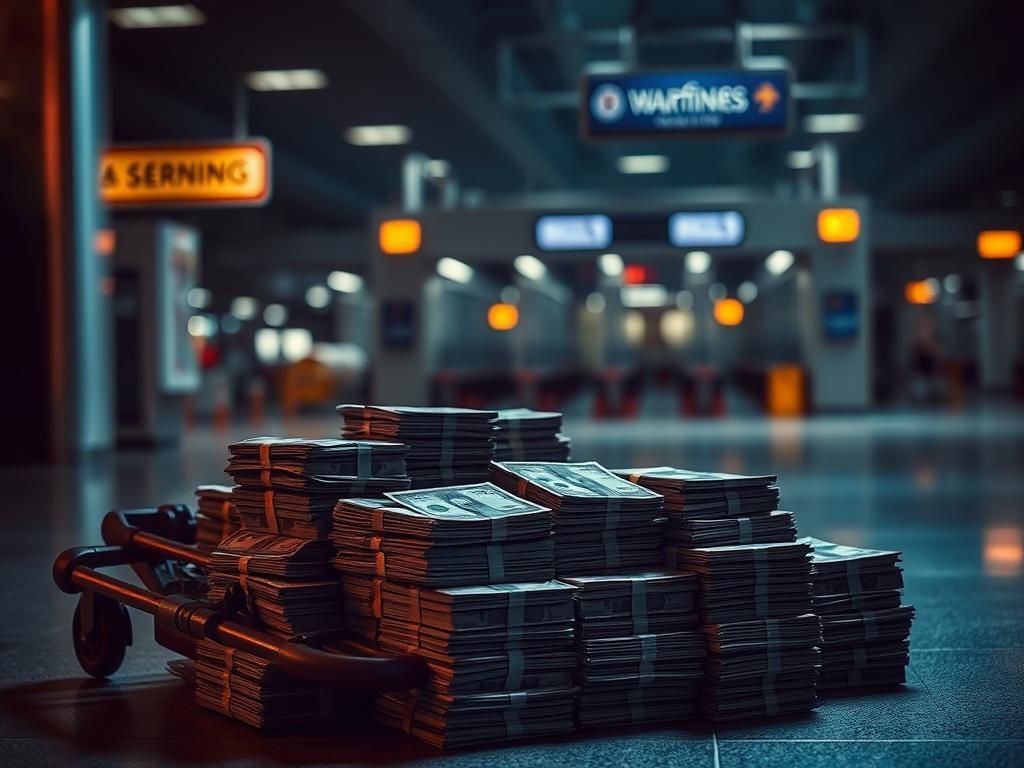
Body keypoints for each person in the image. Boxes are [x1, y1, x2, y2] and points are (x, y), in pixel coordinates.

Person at [909, 314, 943, 404]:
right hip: (920, 369)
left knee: (935, 389)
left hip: (932, 367)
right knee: (921, 392)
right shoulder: (916, 338)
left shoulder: (935, 336)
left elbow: (937, 351)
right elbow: (915, 353)